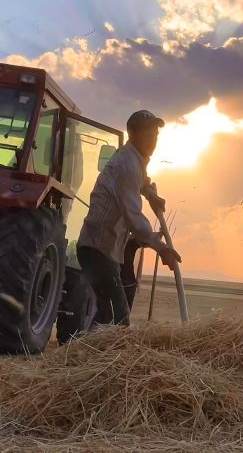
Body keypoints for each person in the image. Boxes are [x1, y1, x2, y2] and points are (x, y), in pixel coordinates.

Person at [76, 110, 182, 326]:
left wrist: (151, 194)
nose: (154, 141)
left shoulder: (134, 159)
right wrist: (161, 248)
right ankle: (93, 354)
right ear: (134, 135)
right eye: (149, 135)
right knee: (119, 315)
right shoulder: (127, 164)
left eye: (156, 135)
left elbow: (142, 181)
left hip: (104, 248)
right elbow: (133, 216)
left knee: (107, 313)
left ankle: (89, 353)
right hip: (97, 248)